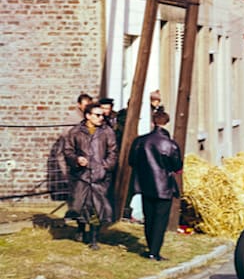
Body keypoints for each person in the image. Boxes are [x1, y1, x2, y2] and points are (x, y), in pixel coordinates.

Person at [129, 110, 183, 261]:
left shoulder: (140, 141)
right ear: (167, 123)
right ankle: (154, 251)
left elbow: (132, 161)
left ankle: (150, 247)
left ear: (153, 122)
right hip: (164, 185)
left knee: (149, 217)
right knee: (160, 220)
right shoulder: (170, 144)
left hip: (145, 184)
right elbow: (177, 166)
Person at [62, 103, 117, 249]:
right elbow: (68, 151)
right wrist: (76, 159)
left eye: (102, 115)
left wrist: (105, 167)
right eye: (97, 115)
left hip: (100, 177)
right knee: (80, 206)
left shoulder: (107, 132)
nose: (101, 118)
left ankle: (93, 238)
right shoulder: (75, 132)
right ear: (88, 116)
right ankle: (81, 229)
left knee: (96, 208)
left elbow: (112, 152)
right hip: (81, 176)